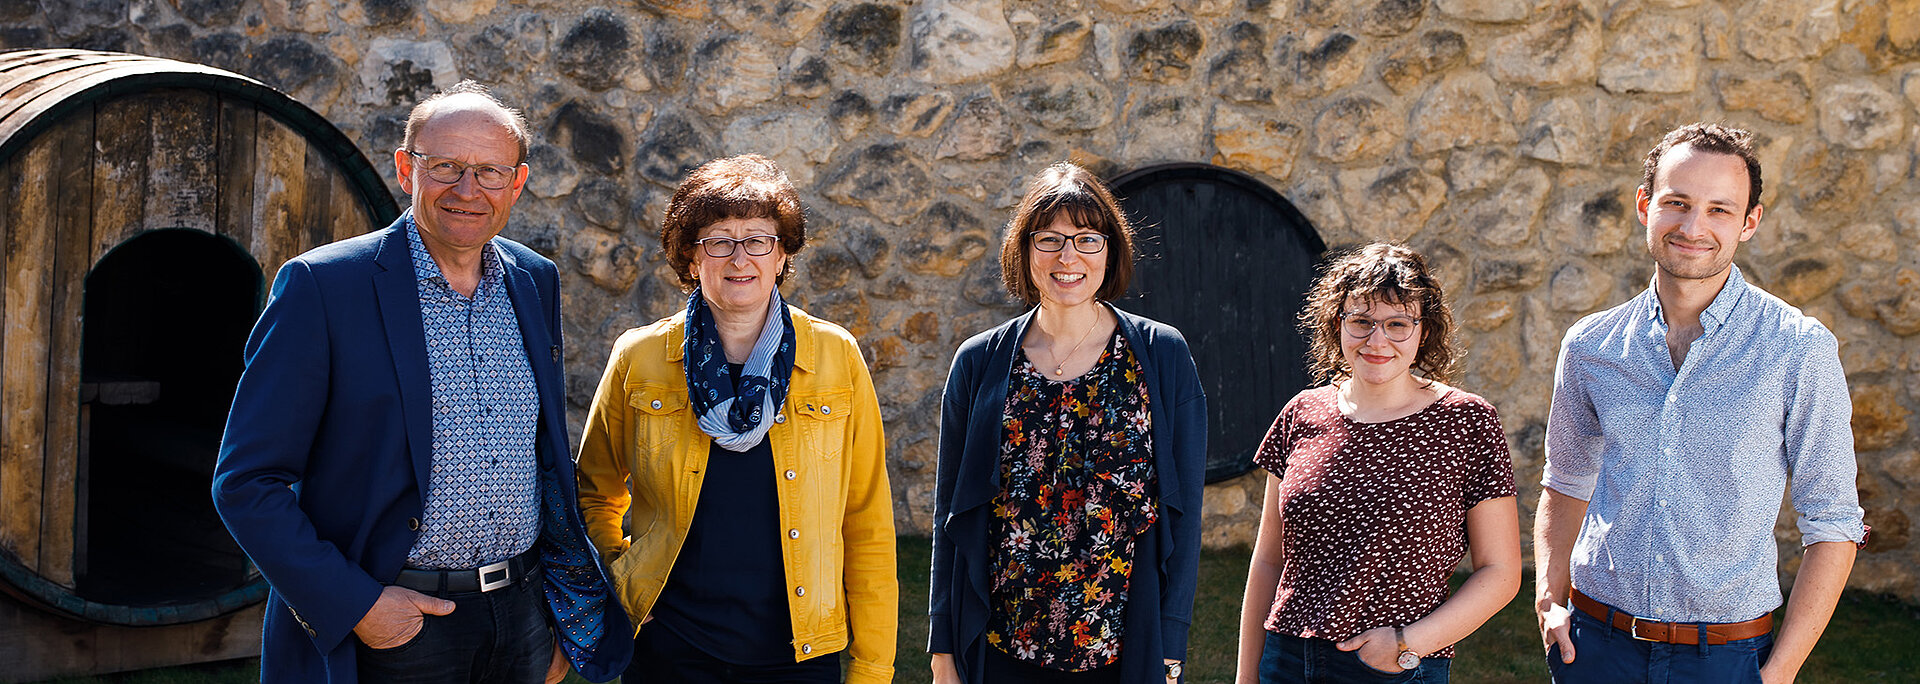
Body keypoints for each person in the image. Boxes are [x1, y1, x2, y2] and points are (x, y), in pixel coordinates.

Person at [211, 81, 630, 683]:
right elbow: (246, 482)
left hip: (521, 618)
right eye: (446, 167)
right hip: (392, 623)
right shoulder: (325, 288)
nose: (467, 190)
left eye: (490, 172)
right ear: (407, 168)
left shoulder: (535, 281)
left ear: (517, 182)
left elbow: (542, 462)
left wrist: (553, 615)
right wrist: (356, 605)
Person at [1534, 123, 1868, 684]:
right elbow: (1565, 482)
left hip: (1727, 658)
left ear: (1750, 222)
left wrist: (1780, 673)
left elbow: (1834, 522)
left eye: (1719, 209)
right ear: (1646, 206)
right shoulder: (1590, 345)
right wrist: (1549, 598)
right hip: (1594, 649)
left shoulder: (1797, 348)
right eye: (1677, 203)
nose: (1693, 227)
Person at [573, 154, 897, 684]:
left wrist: (873, 668)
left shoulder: (835, 356)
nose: (738, 257)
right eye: (718, 239)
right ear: (691, 256)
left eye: (757, 239)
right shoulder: (642, 357)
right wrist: (620, 578)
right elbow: (593, 490)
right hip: (669, 649)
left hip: (798, 654)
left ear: (781, 253)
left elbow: (867, 524)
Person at [929, 161, 1206, 684]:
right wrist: (944, 648)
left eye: (1086, 238)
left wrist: (1170, 643)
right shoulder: (980, 361)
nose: (1068, 256)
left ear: (1110, 250)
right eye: (1050, 239)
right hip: (1002, 643)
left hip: (1122, 645)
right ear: (1025, 250)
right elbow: (951, 510)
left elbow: (1185, 513)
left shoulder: (1161, 354)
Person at [1234, 243, 1522, 684]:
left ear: (1424, 331)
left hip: (1393, 667)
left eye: (1396, 324)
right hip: (1287, 660)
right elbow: (1269, 560)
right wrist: (1247, 675)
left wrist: (1407, 644)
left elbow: (1501, 573)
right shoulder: (1302, 412)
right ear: (1337, 325)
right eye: (1361, 321)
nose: (1377, 340)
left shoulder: (1467, 421)